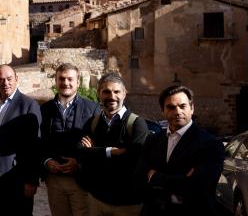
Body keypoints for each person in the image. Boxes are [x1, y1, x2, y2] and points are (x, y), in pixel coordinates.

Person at [137, 84, 224, 216]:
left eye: (182, 106)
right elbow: (138, 179)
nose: (177, 112)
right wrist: (182, 178)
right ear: (162, 111)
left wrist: (156, 177)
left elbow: (200, 186)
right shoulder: (152, 141)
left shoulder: (210, 144)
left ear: (192, 108)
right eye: (171, 107)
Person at [76, 73, 148, 215]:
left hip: (127, 203)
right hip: (97, 200)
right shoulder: (93, 123)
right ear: (99, 94)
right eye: (106, 92)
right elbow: (79, 153)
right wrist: (109, 152)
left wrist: (93, 152)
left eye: (116, 92)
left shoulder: (137, 124)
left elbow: (131, 160)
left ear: (124, 94)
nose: (112, 96)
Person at [40, 63, 99, 216]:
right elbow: (39, 142)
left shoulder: (92, 109)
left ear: (78, 82)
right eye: (62, 79)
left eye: (70, 79)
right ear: (56, 81)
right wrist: (46, 161)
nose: (66, 83)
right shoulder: (44, 109)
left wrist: (79, 163)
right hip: (54, 179)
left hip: (80, 179)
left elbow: (98, 144)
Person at [0, 64, 41, 215]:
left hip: (18, 177)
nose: (5, 83)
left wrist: (32, 180)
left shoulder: (28, 105)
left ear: (17, 79)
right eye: (1, 79)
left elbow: (35, 146)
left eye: (9, 79)